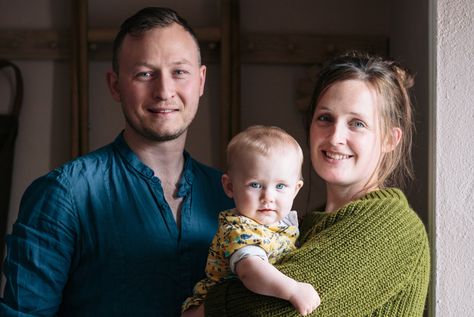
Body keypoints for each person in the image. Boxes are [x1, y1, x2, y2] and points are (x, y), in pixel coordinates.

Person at [0, 7, 233, 317]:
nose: (164, 91)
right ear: (115, 85)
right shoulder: (63, 194)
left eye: (179, 72)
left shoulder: (228, 195)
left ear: (200, 81)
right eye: (144, 74)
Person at [204, 51, 430, 316]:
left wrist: (205, 307)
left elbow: (269, 312)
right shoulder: (306, 225)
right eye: (325, 118)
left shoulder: (393, 224)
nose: (335, 137)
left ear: (390, 139)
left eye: (357, 123)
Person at [181, 125, 320, 317]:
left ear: (296, 190)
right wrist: (293, 289)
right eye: (255, 185)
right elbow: (251, 273)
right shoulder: (239, 228)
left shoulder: (285, 224)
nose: (268, 196)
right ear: (230, 186)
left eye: (280, 186)